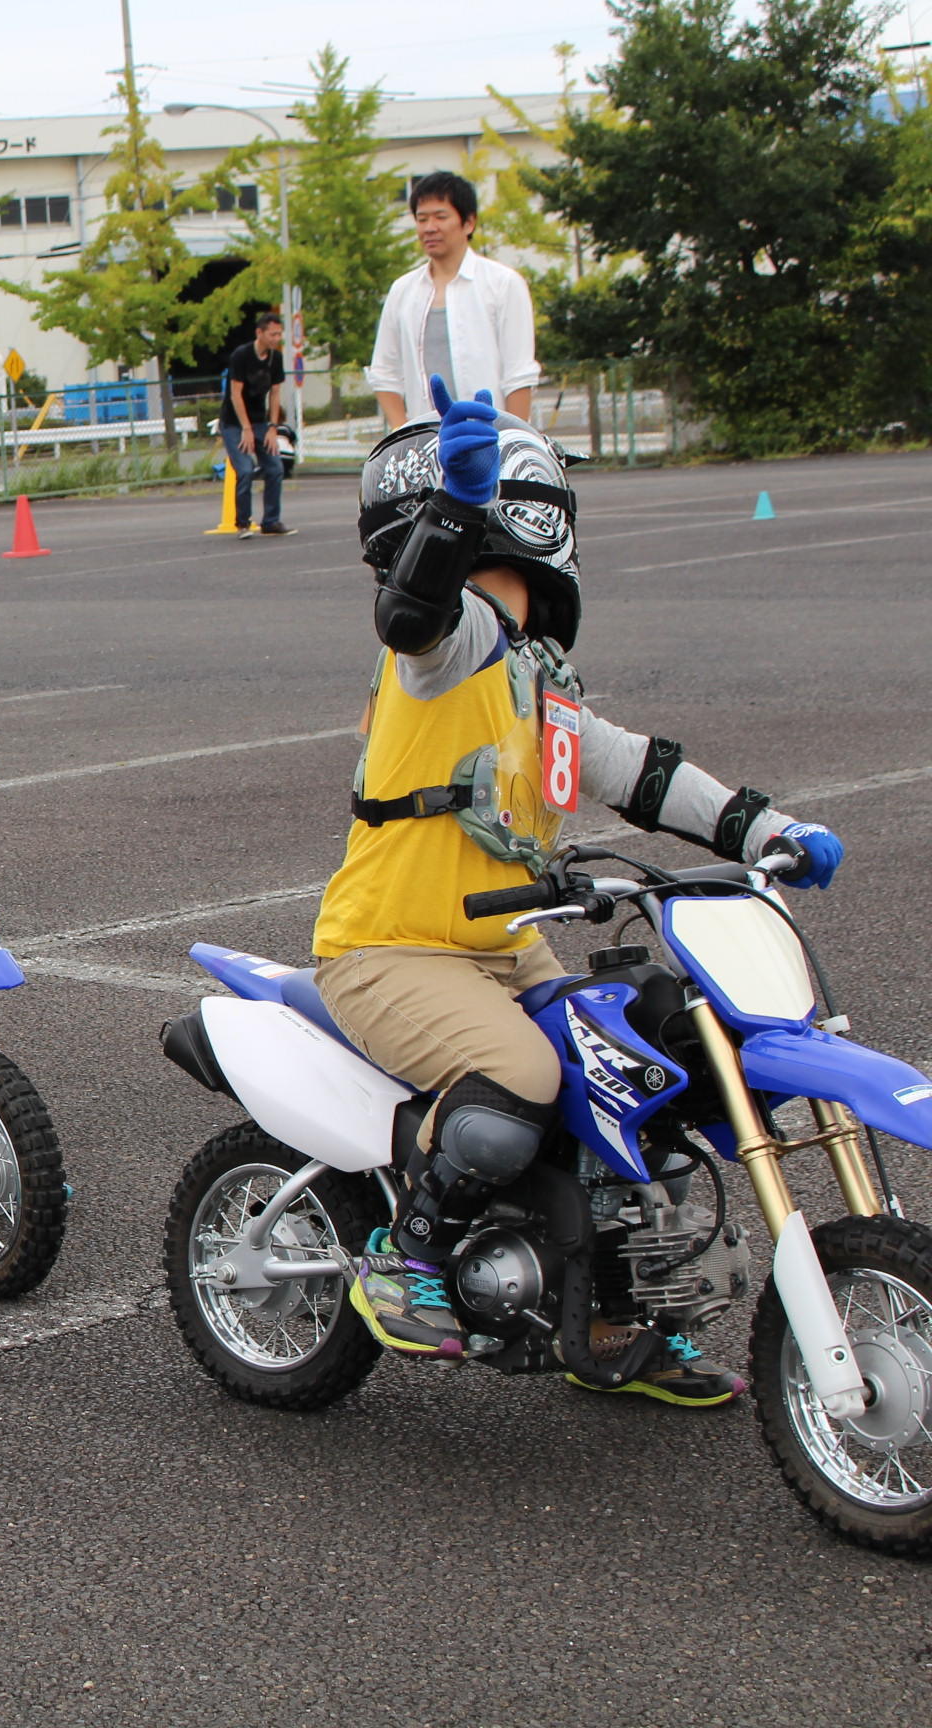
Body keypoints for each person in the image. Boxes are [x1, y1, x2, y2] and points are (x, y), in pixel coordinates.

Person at [317, 376, 845, 1405]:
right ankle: (407, 1257)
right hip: (390, 948)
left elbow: (644, 773)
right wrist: (458, 513)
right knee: (520, 1078)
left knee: (636, 1088)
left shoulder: (539, 682)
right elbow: (413, 617)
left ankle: (613, 1323)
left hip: (506, 951)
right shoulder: (451, 651)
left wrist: (769, 827)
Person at [367, 171, 539, 428]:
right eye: (421, 219)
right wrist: (403, 433)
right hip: (426, 444)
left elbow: (519, 375)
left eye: (440, 217)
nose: (429, 228)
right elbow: (384, 373)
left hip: (488, 438)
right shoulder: (403, 290)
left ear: (468, 223)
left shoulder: (503, 283)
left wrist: (512, 441)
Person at [219, 311, 292, 537]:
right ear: (259, 333)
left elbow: (275, 393)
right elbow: (235, 394)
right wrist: (246, 429)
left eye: (279, 334)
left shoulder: (275, 358)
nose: (276, 338)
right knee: (245, 469)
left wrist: (272, 427)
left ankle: (271, 521)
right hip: (234, 422)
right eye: (272, 334)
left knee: (274, 467)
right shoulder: (241, 356)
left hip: (261, 421)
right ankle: (242, 522)